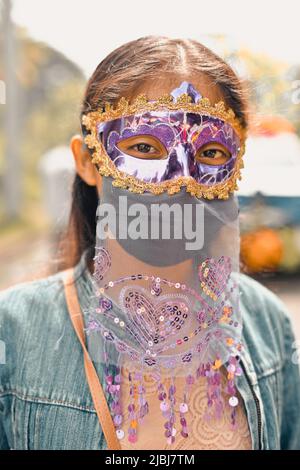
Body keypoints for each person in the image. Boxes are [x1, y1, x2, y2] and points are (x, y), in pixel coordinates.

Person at [0, 36, 299, 451]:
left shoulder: (268, 326)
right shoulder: (12, 334)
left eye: (211, 152)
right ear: (87, 160)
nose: (179, 180)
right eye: (144, 147)